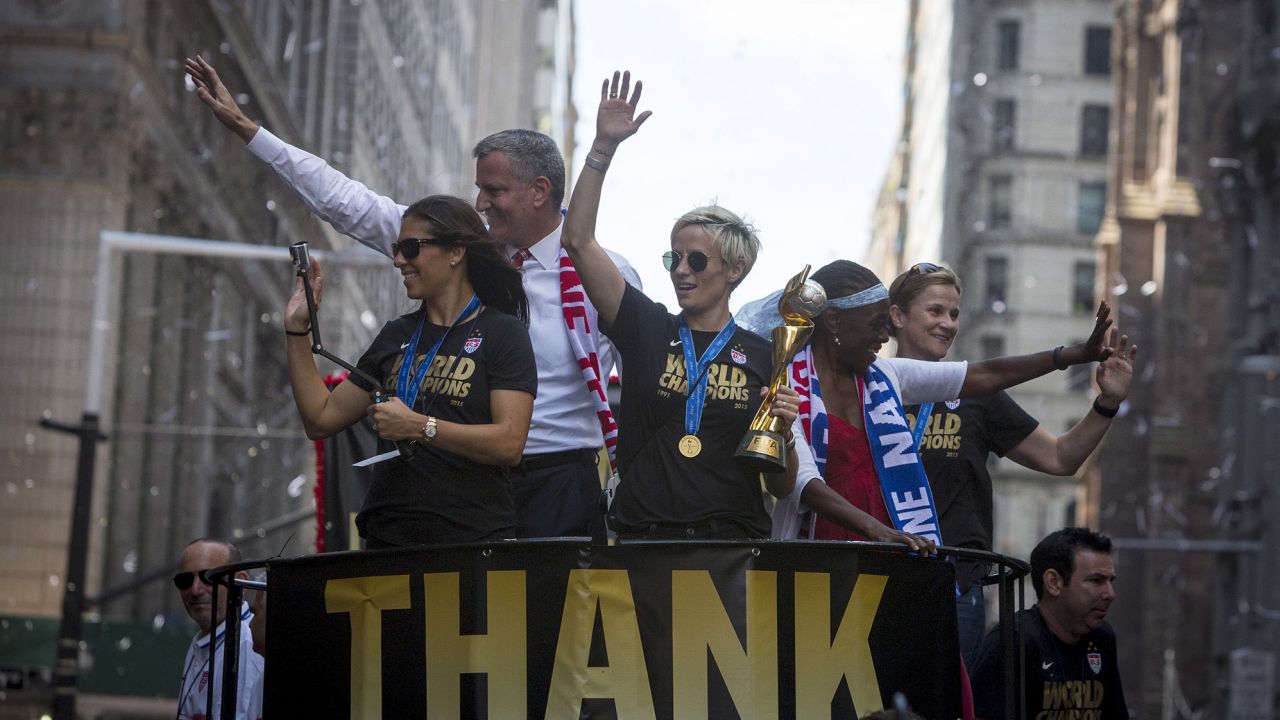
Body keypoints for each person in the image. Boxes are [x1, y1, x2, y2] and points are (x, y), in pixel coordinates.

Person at [185, 56, 638, 539]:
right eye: (479, 189)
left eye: (494, 190)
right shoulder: (459, 251)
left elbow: (640, 389)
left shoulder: (603, 274)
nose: (481, 203)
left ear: (539, 191)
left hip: (557, 487)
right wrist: (250, 130)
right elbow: (348, 203)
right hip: (459, 485)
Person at [559, 71, 802, 539]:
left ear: (736, 268)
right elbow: (578, 240)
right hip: (645, 540)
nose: (680, 271)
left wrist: (785, 434)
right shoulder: (646, 326)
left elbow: (779, 484)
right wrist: (603, 148)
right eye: (674, 258)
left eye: (695, 259)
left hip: (730, 546)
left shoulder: (765, 354)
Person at [746, 261, 1124, 554]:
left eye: (954, 314)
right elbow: (802, 484)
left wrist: (1071, 355)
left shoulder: (884, 376)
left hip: (893, 557)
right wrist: (880, 533)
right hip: (822, 553)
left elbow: (980, 375)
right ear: (833, 320)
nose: (883, 336)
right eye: (877, 324)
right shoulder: (787, 386)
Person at [887, 262, 1137, 668]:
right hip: (880, 580)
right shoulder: (868, 389)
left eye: (954, 314)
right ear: (897, 316)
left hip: (954, 588)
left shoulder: (976, 395)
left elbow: (1060, 458)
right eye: (935, 311)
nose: (948, 324)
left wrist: (1107, 403)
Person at [286, 195, 536, 546]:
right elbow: (321, 418)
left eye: (410, 247)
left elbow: (509, 443)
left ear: (455, 252)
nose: (398, 260)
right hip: (387, 539)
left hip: (470, 542)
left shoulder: (502, 333)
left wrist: (420, 427)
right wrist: (297, 330)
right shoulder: (396, 334)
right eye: (397, 248)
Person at [971, 527, 1128, 720]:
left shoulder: (1102, 637)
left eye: (1111, 581)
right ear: (1053, 582)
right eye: (1096, 580)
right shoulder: (1013, 642)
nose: (1110, 594)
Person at [173, 539, 263, 720]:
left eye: (209, 577)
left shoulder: (246, 643)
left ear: (240, 582)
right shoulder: (204, 639)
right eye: (185, 580)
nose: (195, 590)